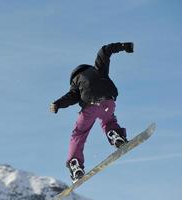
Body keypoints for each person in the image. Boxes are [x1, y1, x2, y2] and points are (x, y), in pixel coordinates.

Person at [50, 42, 134, 182]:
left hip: (90, 106)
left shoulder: (76, 81)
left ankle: (75, 164)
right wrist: (124, 46)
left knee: (79, 134)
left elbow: (71, 97)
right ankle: (116, 136)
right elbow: (104, 51)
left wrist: (57, 104)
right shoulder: (98, 69)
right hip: (109, 101)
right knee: (109, 121)